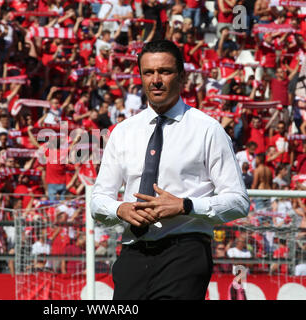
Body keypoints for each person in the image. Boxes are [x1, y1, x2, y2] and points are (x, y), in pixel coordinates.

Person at [91, 40, 250, 300]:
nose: (156, 80)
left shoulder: (208, 130)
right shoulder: (122, 132)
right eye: (148, 73)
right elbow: (98, 201)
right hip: (133, 253)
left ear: (182, 76)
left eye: (164, 71)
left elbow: (239, 202)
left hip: (184, 253)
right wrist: (121, 209)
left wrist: (185, 206)